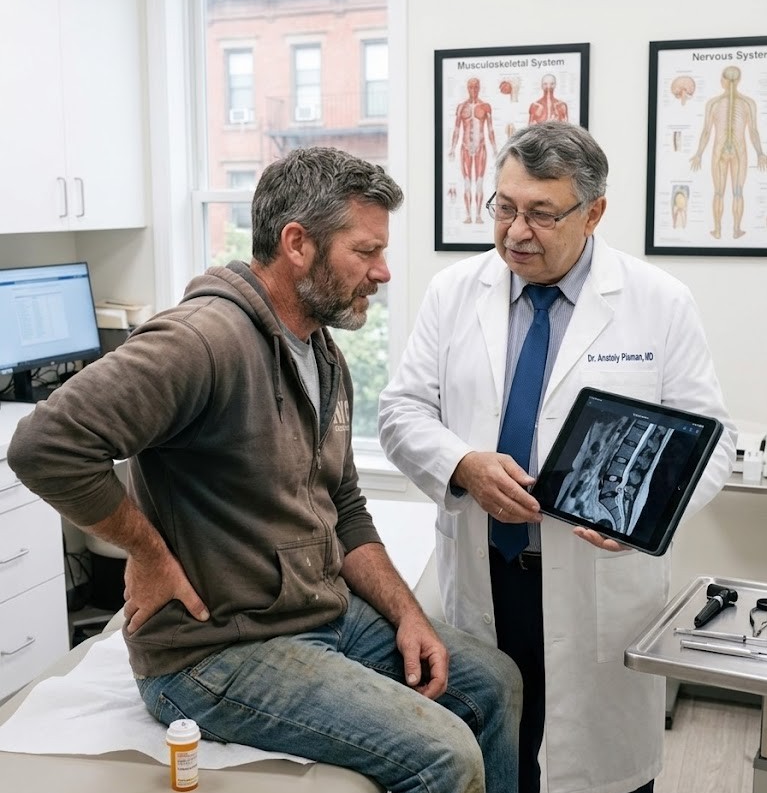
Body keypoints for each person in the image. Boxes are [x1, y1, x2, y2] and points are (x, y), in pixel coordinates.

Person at [7, 147, 522, 793]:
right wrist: (148, 552)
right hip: (213, 652)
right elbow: (43, 444)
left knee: (494, 679)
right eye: (365, 252)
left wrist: (406, 613)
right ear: (298, 243)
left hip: (315, 615)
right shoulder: (202, 340)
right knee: (443, 753)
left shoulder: (321, 352)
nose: (383, 271)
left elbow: (345, 506)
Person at [379, 122, 736, 793]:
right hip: (484, 572)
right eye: (504, 206)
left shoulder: (657, 302)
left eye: (541, 213)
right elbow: (400, 412)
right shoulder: (454, 291)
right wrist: (462, 465)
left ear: (592, 212)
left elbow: (707, 439)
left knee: (597, 772)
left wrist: (644, 510)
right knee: (491, 759)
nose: (516, 230)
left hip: (595, 582)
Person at [689, 65, 767, 239]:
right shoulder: (748, 103)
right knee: (738, 192)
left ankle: (717, 230)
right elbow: (753, 131)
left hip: (719, 151)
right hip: (739, 151)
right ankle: (736, 230)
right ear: (738, 80)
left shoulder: (713, 103)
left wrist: (699, 154)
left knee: (718, 192)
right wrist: (760, 153)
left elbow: (706, 132)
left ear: (723, 80)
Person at [449, 77, 498, 225]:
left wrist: (495, 149)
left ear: (479, 87)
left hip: (481, 148)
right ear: (467, 88)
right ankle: (468, 215)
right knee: (467, 183)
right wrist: (452, 148)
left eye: (476, 87)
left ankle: (478, 215)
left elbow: (490, 129)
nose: (473, 90)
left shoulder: (485, 107)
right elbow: (457, 130)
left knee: (479, 183)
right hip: (464, 148)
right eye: (471, 87)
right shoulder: (461, 107)